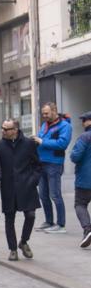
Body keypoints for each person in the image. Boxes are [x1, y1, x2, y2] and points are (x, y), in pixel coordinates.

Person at [0, 118, 42, 261]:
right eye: (2, 128)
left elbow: (37, 165)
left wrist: (33, 180)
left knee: (31, 215)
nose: (2, 131)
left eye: (6, 129)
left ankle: (24, 241)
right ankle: (13, 249)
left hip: (27, 187)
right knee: (9, 219)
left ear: (15, 130)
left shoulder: (28, 144)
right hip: (8, 187)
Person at [35, 103, 72, 233]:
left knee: (55, 195)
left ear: (54, 111)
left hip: (54, 164)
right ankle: (49, 221)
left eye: (46, 113)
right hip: (41, 163)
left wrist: (42, 141)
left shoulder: (65, 126)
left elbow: (62, 144)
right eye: (43, 113)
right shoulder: (45, 125)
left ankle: (61, 225)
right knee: (43, 195)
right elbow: (41, 138)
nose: (44, 116)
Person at [71, 111, 91, 249]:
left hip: (86, 178)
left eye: (84, 121)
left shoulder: (85, 137)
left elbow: (75, 156)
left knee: (80, 204)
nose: (82, 123)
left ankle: (87, 229)